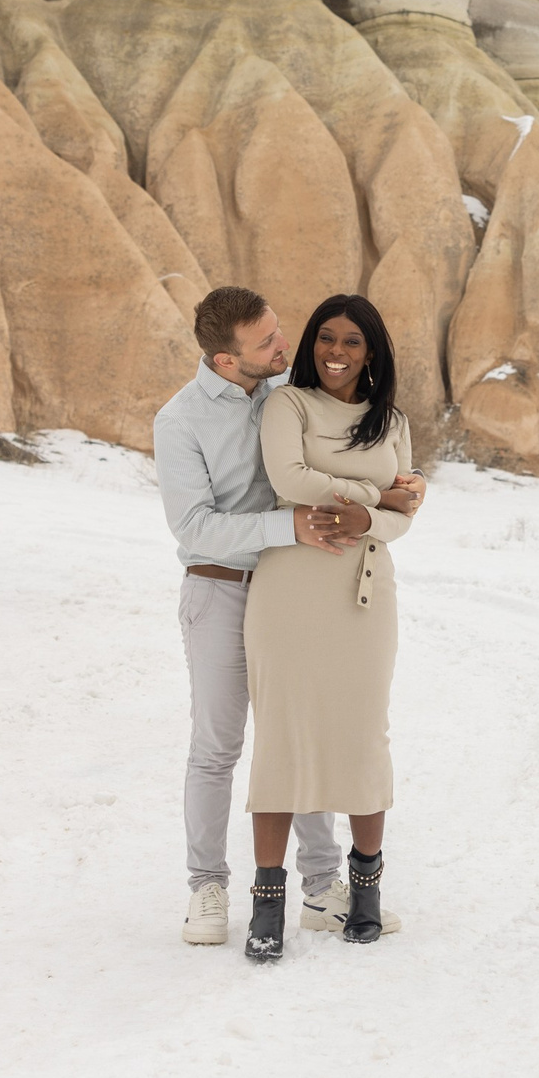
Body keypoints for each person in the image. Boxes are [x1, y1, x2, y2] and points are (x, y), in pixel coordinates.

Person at [152, 286, 418, 947]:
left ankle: (322, 883)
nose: (284, 345)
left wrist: (396, 494)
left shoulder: (285, 397)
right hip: (221, 586)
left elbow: (360, 463)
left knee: (302, 730)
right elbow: (194, 526)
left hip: (295, 585)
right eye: (267, 341)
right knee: (219, 746)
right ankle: (207, 887)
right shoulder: (180, 420)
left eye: (278, 331)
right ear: (223, 358)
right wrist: (296, 524)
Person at [242, 292, 423, 962]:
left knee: (361, 736)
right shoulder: (287, 406)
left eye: (351, 342)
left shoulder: (393, 420)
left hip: (362, 597)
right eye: (326, 339)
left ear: (370, 351)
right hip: (290, 590)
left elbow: (408, 515)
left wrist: (369, 521)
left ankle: (365, 890)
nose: (336, 353)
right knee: (282, 738)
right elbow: (288, 476)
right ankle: (269, 904)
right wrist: (374, 498)